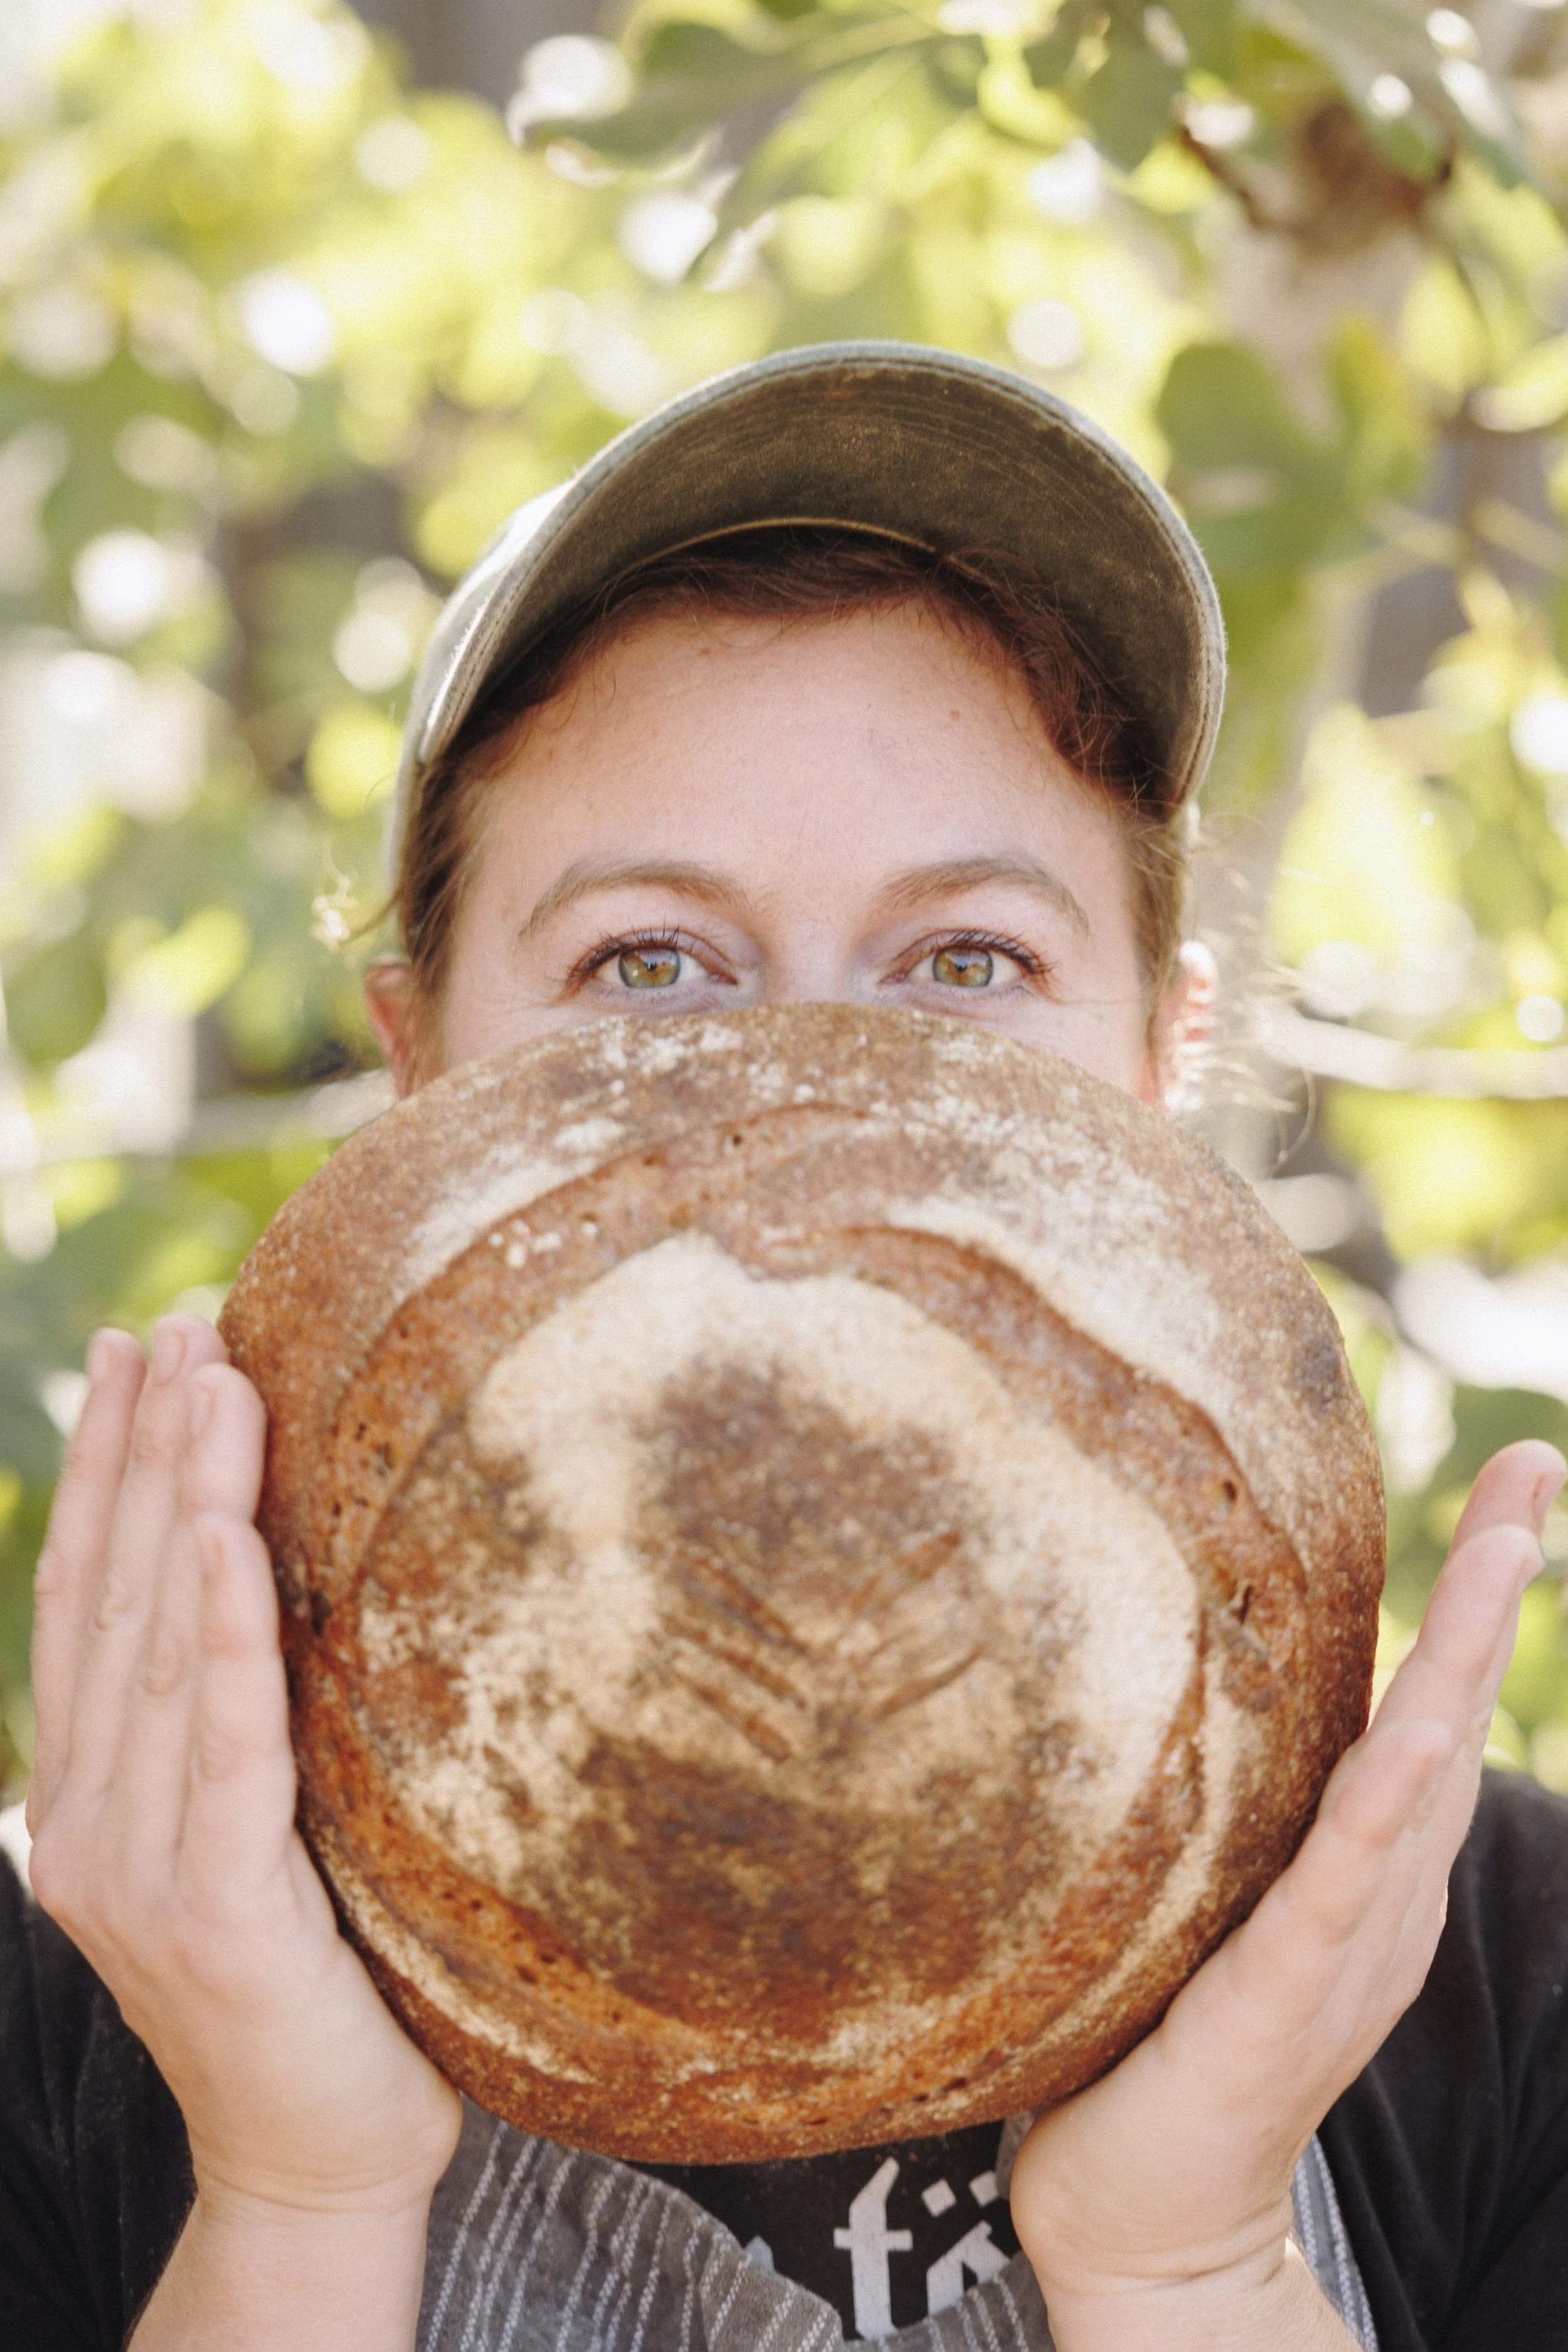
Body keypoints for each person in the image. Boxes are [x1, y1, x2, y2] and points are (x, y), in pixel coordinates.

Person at [3, 344, 1565, 2352]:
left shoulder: (1493, 1978)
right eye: (648, 964)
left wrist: (1189, 2260)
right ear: (418, 1076)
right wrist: (297, 2193)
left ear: (1157, 1074)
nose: (815, 1088)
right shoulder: (98, 1987)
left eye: (963, 963)